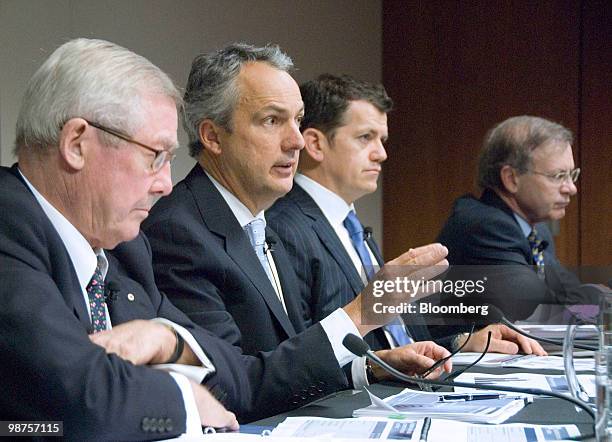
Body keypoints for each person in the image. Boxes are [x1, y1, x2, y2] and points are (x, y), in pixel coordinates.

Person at [143, 43, 451, 397]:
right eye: (272, 120)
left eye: (298, 120)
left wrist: (370, 367)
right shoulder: (178, 232)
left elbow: (284, 359)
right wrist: (362, 313)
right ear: (212, 136)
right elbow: (230, 387)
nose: (296, 141)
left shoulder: (259, 223)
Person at [0, 38, 246, 440]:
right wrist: (184, 400)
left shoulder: (125, 249)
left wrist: (167, 340)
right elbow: (78, 404)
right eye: (155, 157)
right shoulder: (7, 222)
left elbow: (237, 375)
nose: (167, 185)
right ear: (77, 143)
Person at [267, 74, 545, 371]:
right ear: (315, 144)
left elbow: (391, 337)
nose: (382, 154)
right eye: (365, 138)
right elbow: (301, 356)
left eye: (382, 140)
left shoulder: (351, 226)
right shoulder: (285, 227)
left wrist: (463, 342)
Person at [436, 115, 599, 322]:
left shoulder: (536, 231)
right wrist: (598, 300)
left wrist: (597, 299)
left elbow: (569, 294)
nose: (572, 188)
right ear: (511, 179)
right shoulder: (486, 225)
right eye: (558, 176)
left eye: (571, 175)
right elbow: (545, 311)